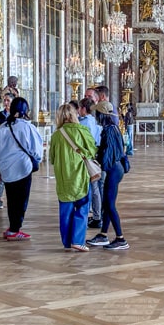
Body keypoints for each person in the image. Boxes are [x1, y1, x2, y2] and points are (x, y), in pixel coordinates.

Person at [49, 101, 97, 252]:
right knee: (82, 209)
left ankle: (67, 242)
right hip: (80, 175)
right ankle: (77, 240)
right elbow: (92, 150)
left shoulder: (57, 135)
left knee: (65, 211)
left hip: (63, 178)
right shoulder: (82, 130)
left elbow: (52, 158)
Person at [0, 96, 43, 241]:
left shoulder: (3, 126)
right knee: (22, 200)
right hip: (22, 168)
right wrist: (37, 160)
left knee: (11, 199)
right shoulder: (27, 127)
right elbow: (36, 149)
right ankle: (15, 229)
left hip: (6, 168)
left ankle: (12, 227)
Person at [88, 102, 129, 250]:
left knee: (110, 205)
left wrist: (96, 158)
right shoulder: (112, 127)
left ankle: (121, 238)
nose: (95, 116)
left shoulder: (109, 130)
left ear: (102, 114)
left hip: (113, 169)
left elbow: (108, 153)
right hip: (115, 168)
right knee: (106, 203)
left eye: (97, 114)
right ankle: (103, 235)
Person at [78, 96, 103, 227]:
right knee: (94, 188)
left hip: (86, 157)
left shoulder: (84, 123)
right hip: (93, 156)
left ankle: (94, 216)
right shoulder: (92, 120)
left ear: (83, 109)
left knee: (91, 188)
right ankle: (96, 215)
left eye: (79, 108)